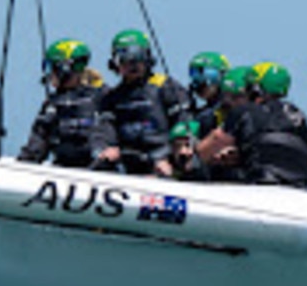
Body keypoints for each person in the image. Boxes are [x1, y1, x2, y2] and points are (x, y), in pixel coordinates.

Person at [196, 64, 307, 187]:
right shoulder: (299, 115)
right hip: (299, 186)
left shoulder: (245, 111)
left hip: (260, 183)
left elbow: (208, 147)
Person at [97, 30, 193, 177]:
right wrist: (107, 149)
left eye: (138, 58)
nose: (133, 66)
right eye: (125, 59)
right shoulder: (112, 97)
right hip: (127, 167)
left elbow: (184, 120)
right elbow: (104, 131)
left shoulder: (165, 86)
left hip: (164, 162)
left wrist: (175, 155)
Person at [17, 39, 108, 168]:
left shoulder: (102, 97)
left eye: (51, 67)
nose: (49, 74)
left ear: (64, 68)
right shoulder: (51, 105)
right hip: (63, 173)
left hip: (101, 173)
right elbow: (38, 142)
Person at [188, 51, 230, 136]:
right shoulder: (200, 113)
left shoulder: (229, 108)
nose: (201, 83)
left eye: (209, 76)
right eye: (194, 74)